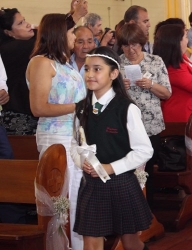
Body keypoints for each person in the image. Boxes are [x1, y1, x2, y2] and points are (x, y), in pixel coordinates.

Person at [71, 46, 153, 250]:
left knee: (130, 242)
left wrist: (110, 168)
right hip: (92, 185)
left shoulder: (127, 108)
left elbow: (144, 150)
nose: (90, 74)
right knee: (91, 242)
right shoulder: (81, 107)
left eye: (97, 69)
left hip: (121, 183)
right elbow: (74, 144)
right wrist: (83, 162)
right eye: (87, 69)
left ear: (114, 73)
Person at [25, 13, 87, 249]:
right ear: (60, 34)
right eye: (72, 33)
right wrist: (80, 107)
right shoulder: (41, 62)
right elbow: (38, 107)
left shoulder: (64, 63)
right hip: (56, 136)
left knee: (77, 198)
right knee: (65, 200)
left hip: (74, 135)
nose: (75, 37)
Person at [0, 5, 87, 135]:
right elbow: (49, 35)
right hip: (21, 116)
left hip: (62, 126)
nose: (28, 25)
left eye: (24, 20)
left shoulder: (54, 59)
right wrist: (74, 16)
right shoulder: (11, 49)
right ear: (8, 32)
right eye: (20, 23)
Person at [117, 23, 171, 207]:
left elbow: (167, 93)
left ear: (142, 43)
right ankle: (129, 211)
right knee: (126, 171)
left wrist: (151, 85)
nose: (131, 49)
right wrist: (118, 89)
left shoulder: (155, 61)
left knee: (147, 171)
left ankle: (148, 213)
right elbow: (104, 96)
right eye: (126, 45)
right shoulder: (116, 64)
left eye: (135, 45)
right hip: (124, 127)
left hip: (150, 125)